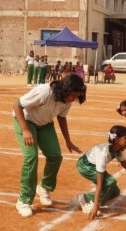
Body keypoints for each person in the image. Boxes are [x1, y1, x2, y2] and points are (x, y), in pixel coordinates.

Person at [13, 74, 87, 217]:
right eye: (72, 95)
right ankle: (23, 200)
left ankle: (44, 187)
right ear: (65, 89)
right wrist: (26, 130)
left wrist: (68, 141)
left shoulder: (67, 100)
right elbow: (17, 104)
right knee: (31, 157)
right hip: (26, 121)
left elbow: (62, 117)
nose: (73, 99)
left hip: (45, 124)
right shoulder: (44, 92)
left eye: (76, 96)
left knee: (55, 156)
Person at [76, 125, 126, 219]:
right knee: (109, 182)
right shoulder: (103, 154)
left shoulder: (117, 149)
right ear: (117, 139)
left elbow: (124, 163)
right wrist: (97, 206)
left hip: (92, 165)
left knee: (115, 192)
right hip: (85, 166)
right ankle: (85, 200)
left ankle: (89, 199)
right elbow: (99, 183)